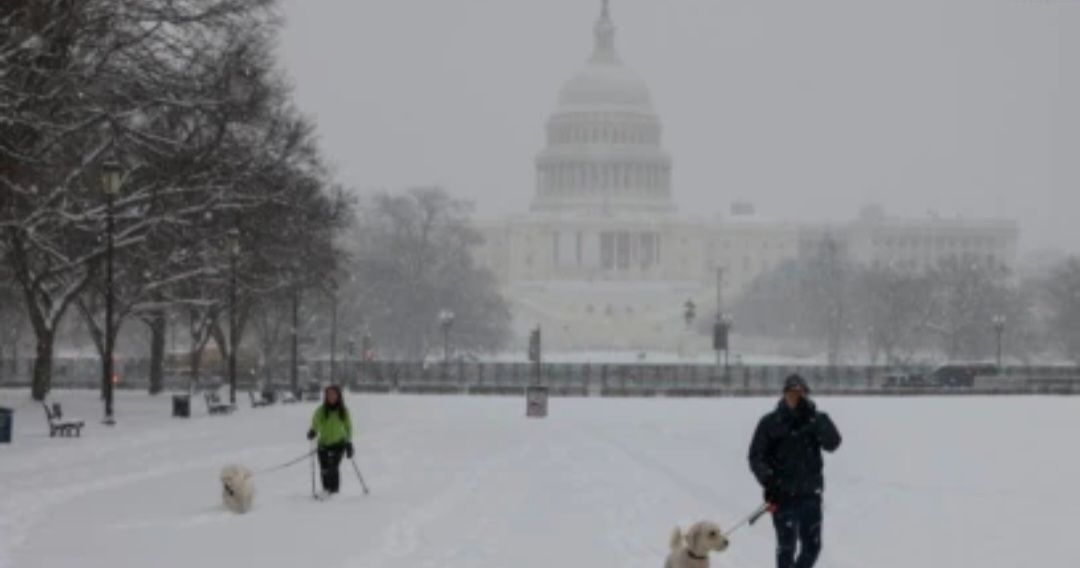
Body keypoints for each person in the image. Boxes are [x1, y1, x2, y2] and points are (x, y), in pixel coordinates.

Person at [748, 374, 842, 568]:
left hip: (810, 495)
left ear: (806, 395)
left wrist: (816, 420)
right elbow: (755, 456)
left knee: (812, 547)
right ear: (784, 395)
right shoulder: (770, 422)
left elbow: (833, 443)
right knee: (786, 548)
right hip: (781, 496)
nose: (796, 397)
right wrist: (768, 480)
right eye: (791, 393)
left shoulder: (816, 419)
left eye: (800, 393)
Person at [306, 385, 354, 498]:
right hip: (323, 444)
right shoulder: (321, 411)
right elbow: (316, 423)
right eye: (328, 395)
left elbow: (348, 427)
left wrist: (349, 443)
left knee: (333, 467)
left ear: (338, 396)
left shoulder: (343, 411)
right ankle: (326, 490)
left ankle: (334, 492)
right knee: (324, 469)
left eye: (333, 394)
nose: (331, 397)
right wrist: (313, 431)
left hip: (339, 444)